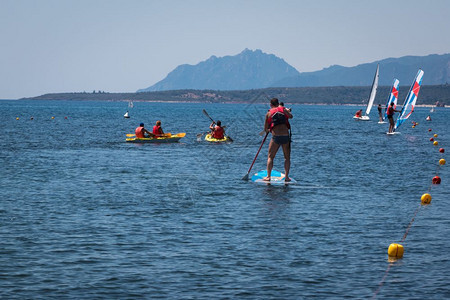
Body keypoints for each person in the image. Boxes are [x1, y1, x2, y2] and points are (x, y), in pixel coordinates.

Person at [263, 98, 293, 182]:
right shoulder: (283, 110)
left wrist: (269, 130)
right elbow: (291, 116)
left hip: (276, 137)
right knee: (287, 158)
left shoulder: (268, 113)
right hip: (286, 137)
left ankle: (268, 177)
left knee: (270, 156)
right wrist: (287, 111)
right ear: (278, 104)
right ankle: (286, 177)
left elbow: (265, 129)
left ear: (270, 105)